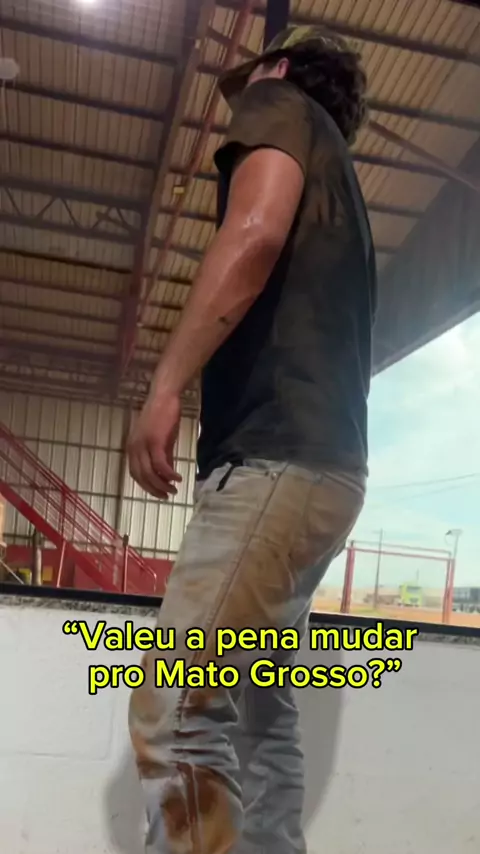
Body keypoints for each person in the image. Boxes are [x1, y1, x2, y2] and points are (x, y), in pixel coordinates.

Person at [127, 24, 377, 854]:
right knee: (263, 723)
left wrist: (165, 384)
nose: (241, 106)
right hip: (326, 475)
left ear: (281, 68)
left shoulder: (279, 102)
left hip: (274, 463)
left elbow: (254, 232)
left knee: (176, 706)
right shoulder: (342, 191)